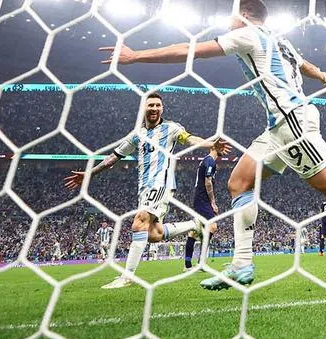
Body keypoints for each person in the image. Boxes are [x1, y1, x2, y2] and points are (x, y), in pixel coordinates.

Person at [99, 0, 326, 291]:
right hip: (278, 127)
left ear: (244, 15)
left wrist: (135, 56)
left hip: (292, 122)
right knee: (239, 182)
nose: (228, 23)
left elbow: (191, 51)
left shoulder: (247, 34)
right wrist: (319, 74)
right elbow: (304, 65)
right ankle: (242, 264)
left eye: (232, 17)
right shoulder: (280, 40)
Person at [63, 92, 227, 288]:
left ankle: (127, 276)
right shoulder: (137, 135)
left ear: (162, 109)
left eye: (158, 105)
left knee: (139, 222)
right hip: (144, 187)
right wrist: (89, 174)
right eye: (151, 105)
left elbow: (191, 139)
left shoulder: (171, 128)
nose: (154, 108)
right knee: (154, 234)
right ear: (143, 108)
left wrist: (210, 144)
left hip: (161, 183)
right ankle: (194, 225)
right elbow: (113, 158)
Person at [185, 145, 220, 269]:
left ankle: (188, 264)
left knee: (194, 231)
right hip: (202, 200)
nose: (224, 149)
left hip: (200, 200)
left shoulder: (206, 160)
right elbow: (208, 182)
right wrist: (213, 203)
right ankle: (201, 261)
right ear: (214, 147)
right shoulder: (210, 161)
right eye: (221, 146)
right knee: (212, 226)